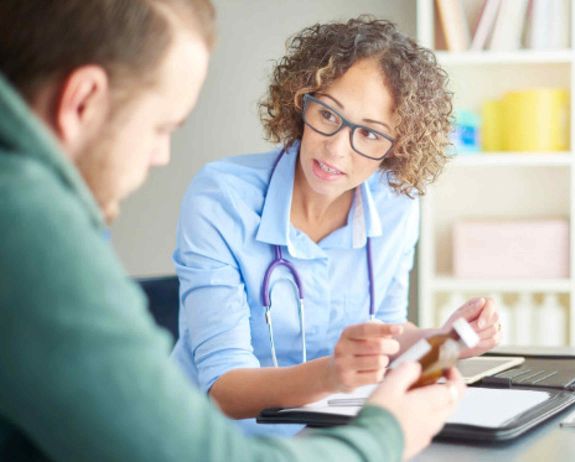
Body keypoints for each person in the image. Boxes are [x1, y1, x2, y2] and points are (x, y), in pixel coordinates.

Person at [0, 1, 466, 461]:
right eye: (162, 127)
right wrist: (385, 435)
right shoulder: (28, 225)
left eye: (369, 134)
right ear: (81, 101)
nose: (162, 155)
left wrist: (439, 340)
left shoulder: (43, 209)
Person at [172, 16, 501, 436]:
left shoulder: (396, 204)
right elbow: (224, 391)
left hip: (328, 435)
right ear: (300, 100)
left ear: (397, 148)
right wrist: (332, 374)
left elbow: (384, 336)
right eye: (328, 114)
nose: (336, 148)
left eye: (369, 134)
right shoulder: (222, 199)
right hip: (214, 440)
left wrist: (446, 337)